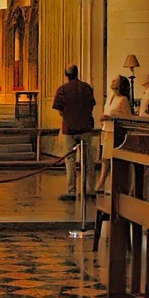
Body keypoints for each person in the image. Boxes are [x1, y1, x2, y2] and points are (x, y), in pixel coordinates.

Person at [52, 65, 97, 200]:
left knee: (70, 160)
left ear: (66, 74)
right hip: (85, 128)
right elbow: (91, 105)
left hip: (69, 128)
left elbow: (60, 109)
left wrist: (68, 115)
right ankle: (90, 189)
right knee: (88, 159)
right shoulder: (86, 88)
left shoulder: (63, 90)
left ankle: (71, 190)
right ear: (77, 73)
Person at [95, 74, 133, 192]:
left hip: (115, 132)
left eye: (115, 80)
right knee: (104, 158)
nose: (112, 81)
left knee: (111, 159)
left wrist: (111, 118)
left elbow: (127, 118)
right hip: (106, 130)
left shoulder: (123, 100)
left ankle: (107, 184)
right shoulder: (111, 97)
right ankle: (102, 183)